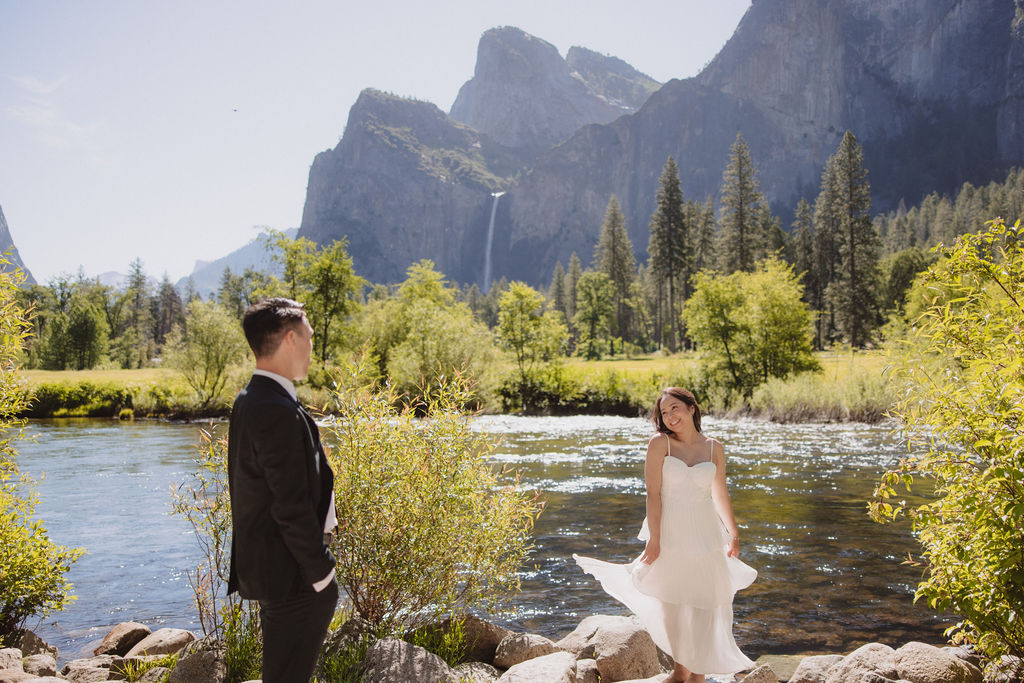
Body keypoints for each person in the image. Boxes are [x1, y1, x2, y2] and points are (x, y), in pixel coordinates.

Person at [574, 387, 756, 682]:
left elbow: (720, 493)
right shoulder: (660, 444)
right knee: (671, 604)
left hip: (707, 533)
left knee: (705, 604)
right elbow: (653, 495)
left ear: (691, 408)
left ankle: (697, 675)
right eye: (664, 413)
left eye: (675, 408)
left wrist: (733, 533)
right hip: (670, 532)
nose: (670, 416)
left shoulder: (714, 448)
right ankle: (680, 671)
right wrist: (656, 538)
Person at [227, 297, 339, 683]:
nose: (313, 346)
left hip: (277, 571)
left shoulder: (251, 399)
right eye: (309, 336)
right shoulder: (274, 408)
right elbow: (288, 504)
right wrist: (321, 573)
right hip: (294, 575)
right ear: (290, 339)